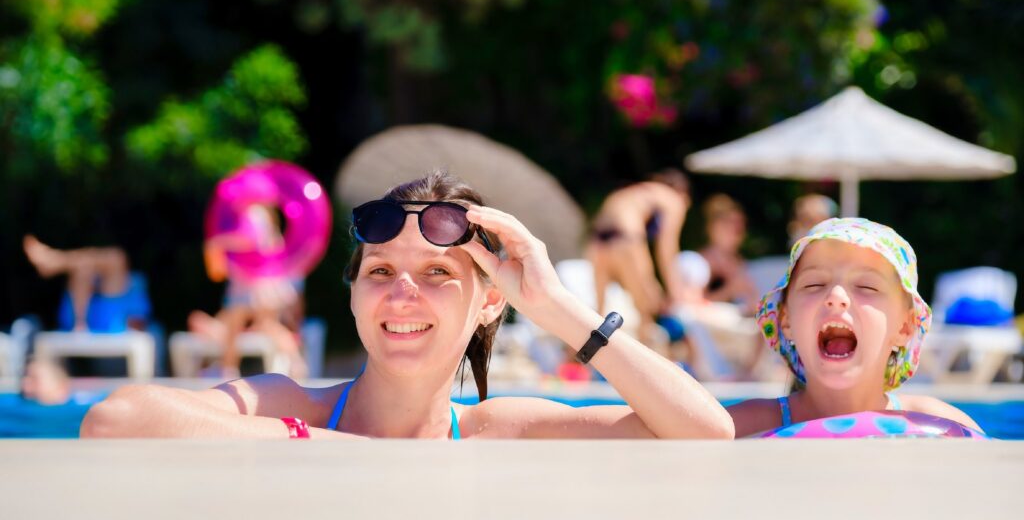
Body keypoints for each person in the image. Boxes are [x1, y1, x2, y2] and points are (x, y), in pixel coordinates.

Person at [81, 171, 734, 439]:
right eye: (382, 270)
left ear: (488, 303)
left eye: (439, 274)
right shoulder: (291, 408)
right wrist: (312, 442)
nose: (403, 293)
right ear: (356, 292)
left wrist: (556, 305)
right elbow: (113, 419)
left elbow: (706, 431)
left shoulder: (496, 429)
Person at [727, 218, 980, 437]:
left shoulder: (941, 426)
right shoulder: (742, 426)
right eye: (814, 284)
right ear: (786, 321)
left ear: (905, 328)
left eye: (867, 287)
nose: (836, 296)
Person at [191, 205, 308, 379]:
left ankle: (228, 368)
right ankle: (295, 361)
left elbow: (248, 239)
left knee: (243, 323)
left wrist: (220, 241)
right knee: (263, 325)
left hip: (258, 287)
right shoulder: (271, 234)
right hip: (263, 288)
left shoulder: (255, 217)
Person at [586, 169, 691, 348]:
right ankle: (645, 365)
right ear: (683, 193)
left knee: (597, 316)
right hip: (625, 239)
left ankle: (582, 366)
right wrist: (675, 293)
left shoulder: (635, 191)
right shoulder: (673, 199)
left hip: (597, 241)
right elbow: (667, 247)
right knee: (647, 306)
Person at [23, 235, 150, 333]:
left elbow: (138, 322)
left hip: (113, 324)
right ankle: (54, 261)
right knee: (90, 266)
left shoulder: (133, 284)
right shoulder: (87, 277)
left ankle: (55, 261)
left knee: (113, 258)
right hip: (84, 324)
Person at [699, 194, 757, 313]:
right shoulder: (703, 261)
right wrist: (729, 291)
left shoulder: (738, 260)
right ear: (715, 227)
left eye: (741, 225)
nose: (738, 230)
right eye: (731, 224)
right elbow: (694, 304)